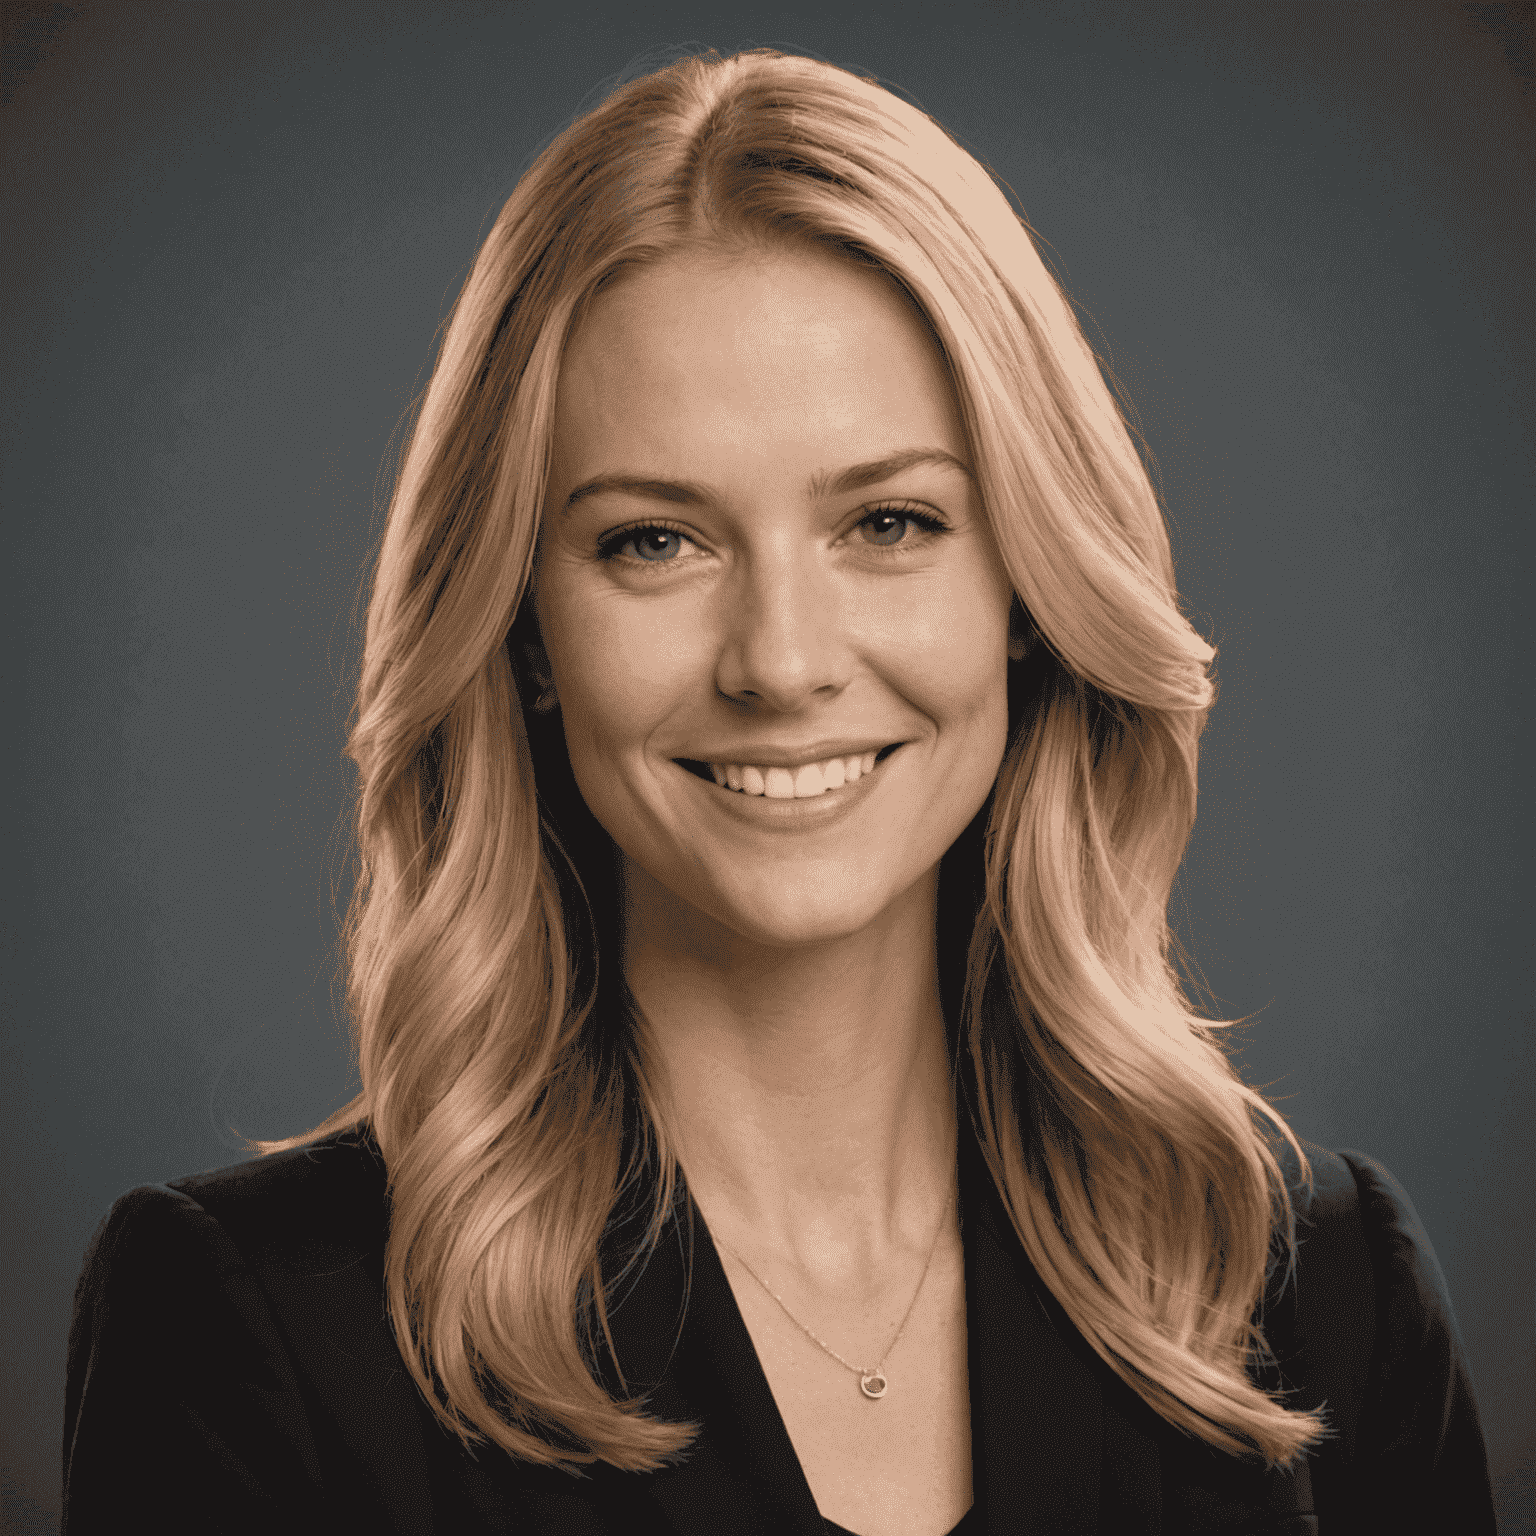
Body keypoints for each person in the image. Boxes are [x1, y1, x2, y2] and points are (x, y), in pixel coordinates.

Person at [62, 47, 1495, 1535]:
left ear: (1028, 585)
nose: (782, 662)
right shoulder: (256, 1331)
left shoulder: (1327, 1288)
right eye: (652, 542)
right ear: (524, 630)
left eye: (889, 520)